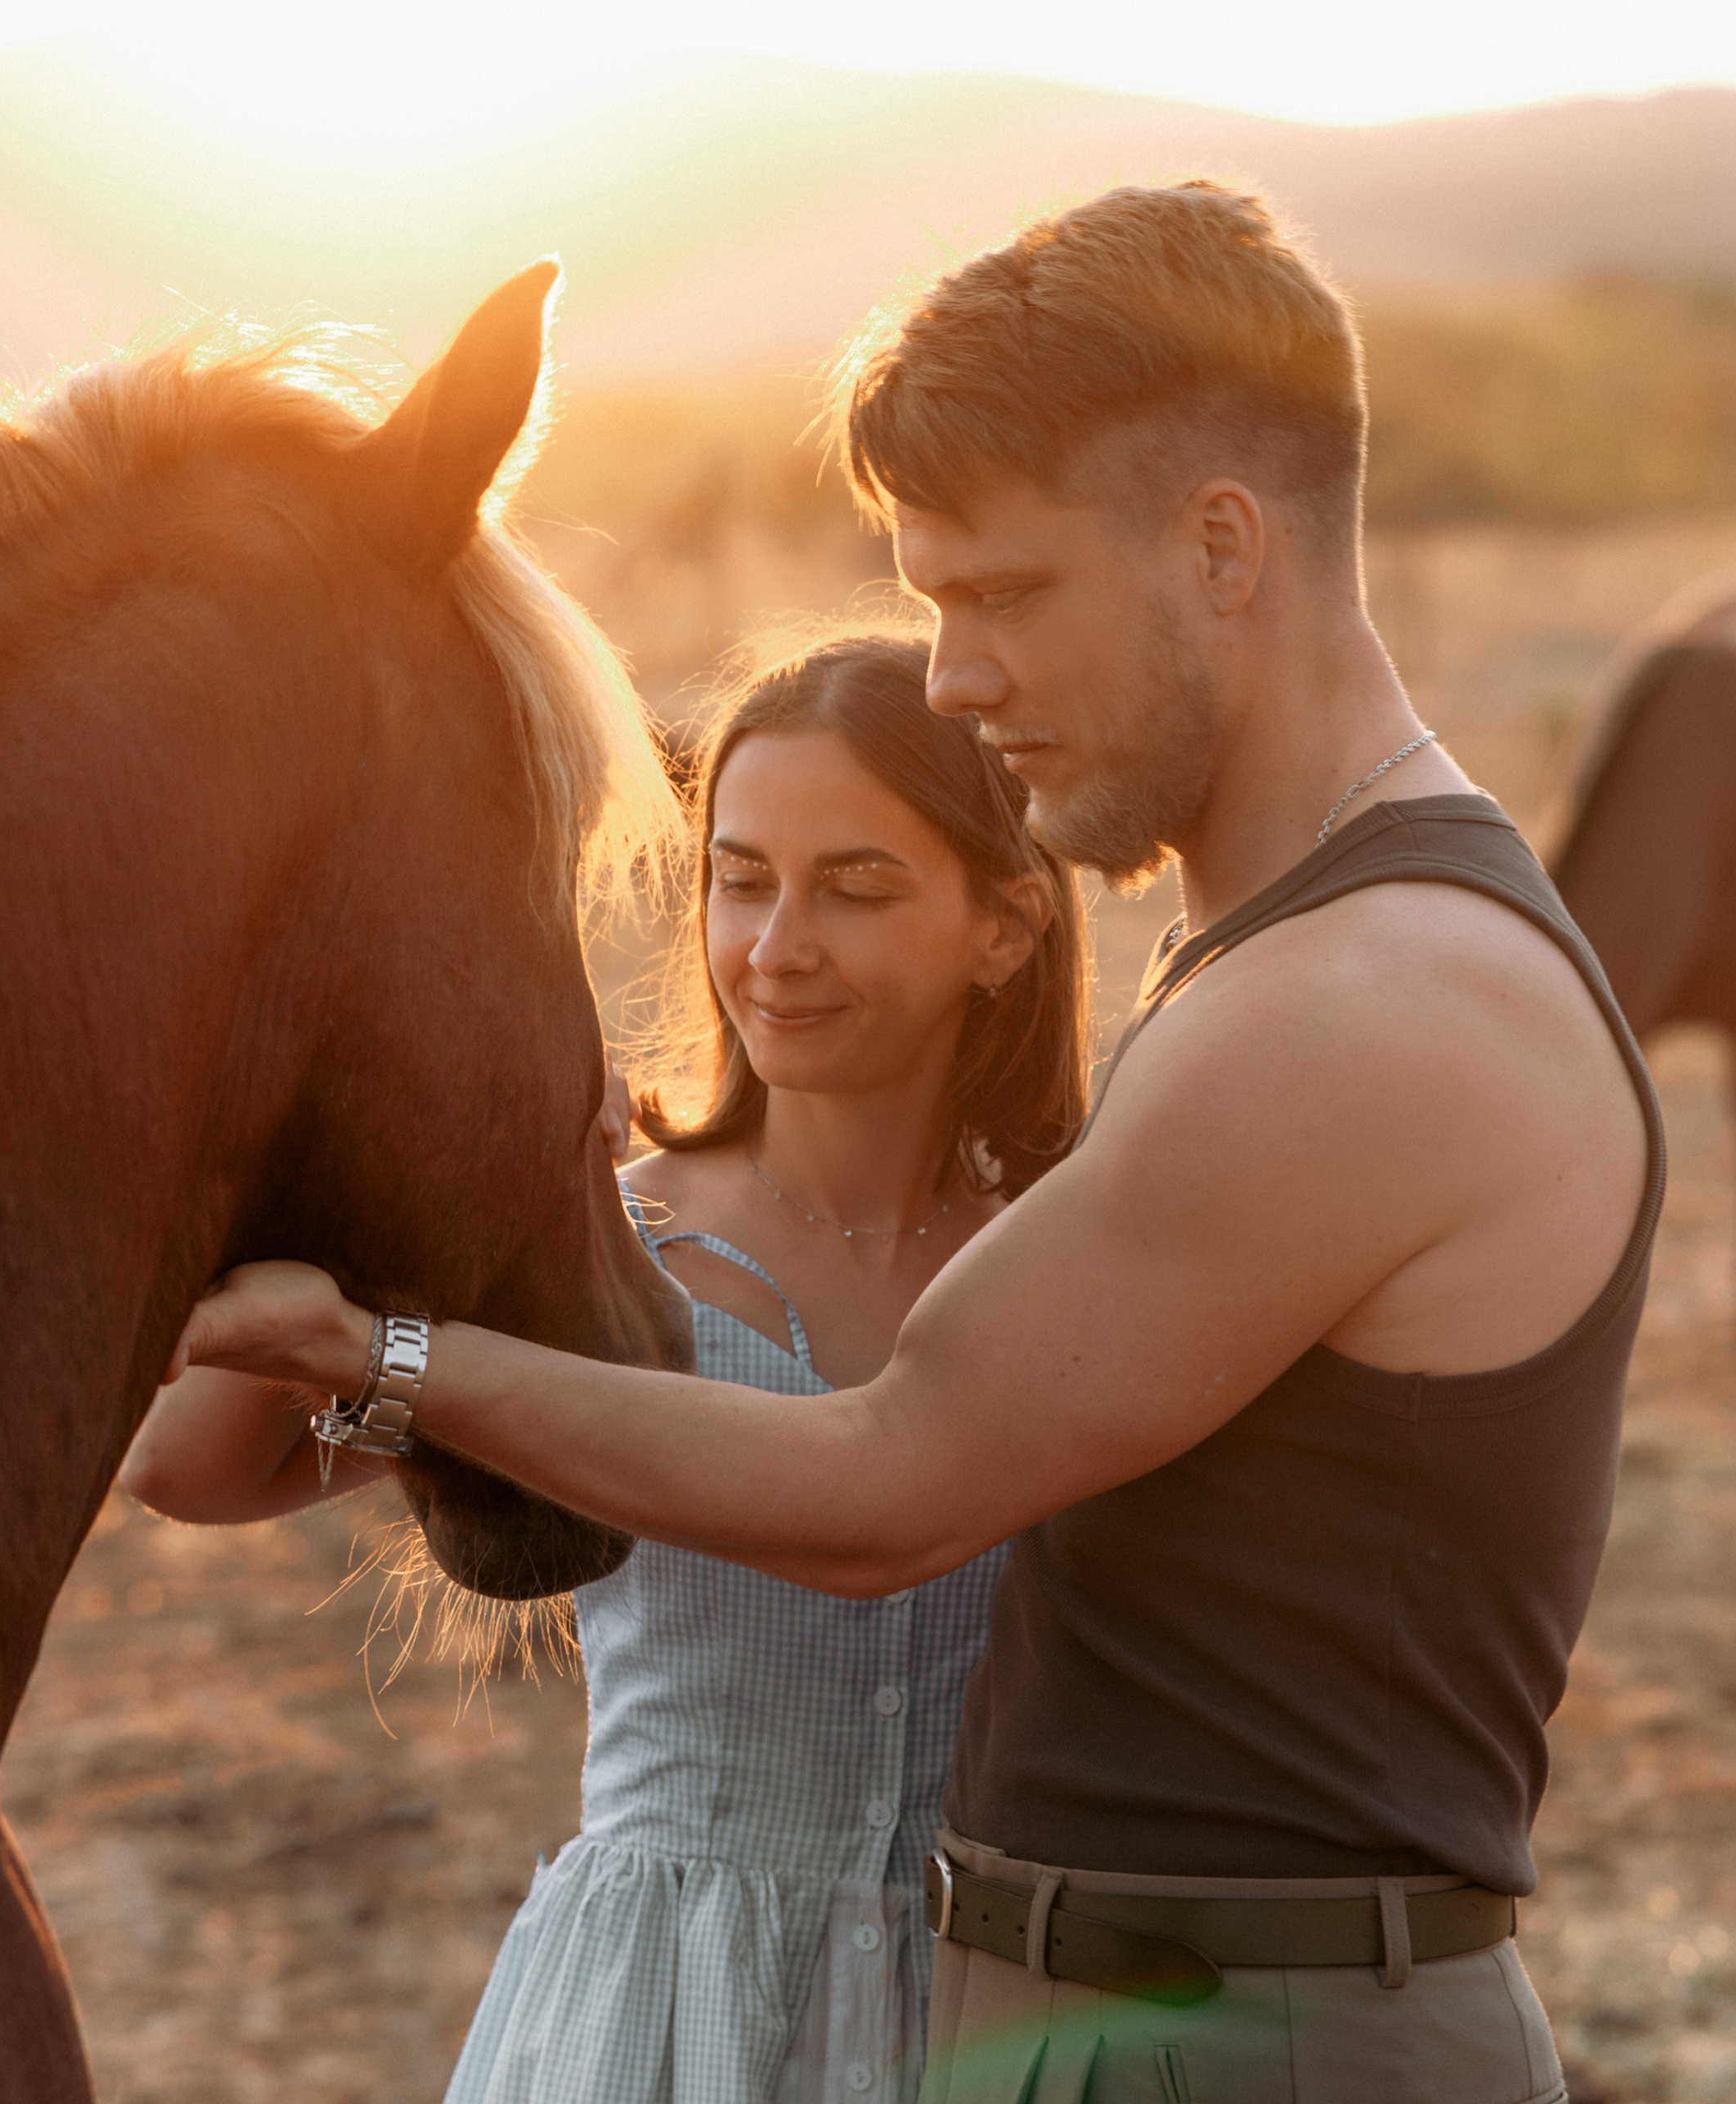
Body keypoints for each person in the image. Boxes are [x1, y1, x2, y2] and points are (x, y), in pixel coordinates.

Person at [170, 182, 1657, 2103]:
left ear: (1222, 547)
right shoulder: (1303, 953)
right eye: (930, 598)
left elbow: (885, 1485)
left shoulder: (1355, 999)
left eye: (1002, 594)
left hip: (1250, 2047)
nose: (950, 674)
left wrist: (381, 1360)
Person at [129, 633, 1089, 2104]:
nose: (775, 947)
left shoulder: (1074, 1261)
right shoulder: (604, 1236)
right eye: (742, 876)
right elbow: (187, 1467)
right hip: (659, 2003)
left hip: (995, 2013)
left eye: (856, 885)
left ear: (1007, 925)